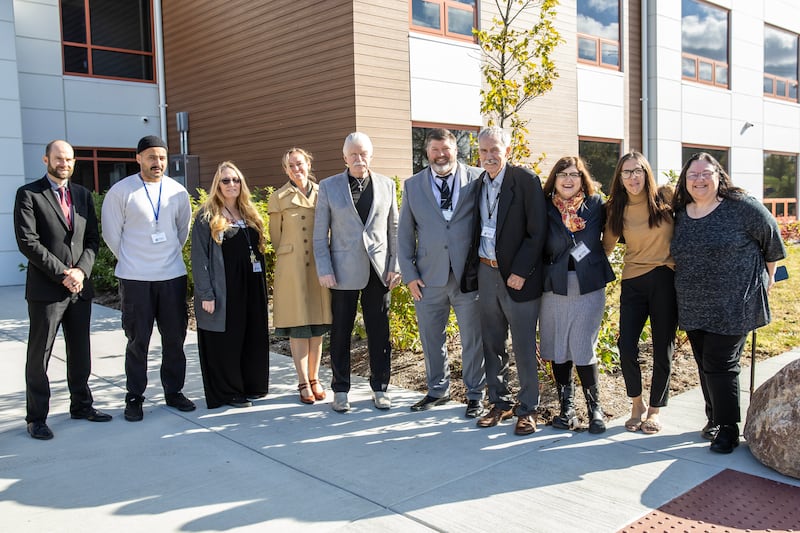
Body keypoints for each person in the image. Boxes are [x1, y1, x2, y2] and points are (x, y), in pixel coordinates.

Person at [671, 152, 786, 454]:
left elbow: (772, 241)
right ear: (685, 180)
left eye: (705, 173)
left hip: (735, 303)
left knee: (720, 363)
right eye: (693, 175)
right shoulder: (681, 213)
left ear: (719, 175)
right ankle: (714, 418)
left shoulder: (742, 208)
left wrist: (768, 277)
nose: (699, 179)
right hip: (694, 303)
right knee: (705, 363)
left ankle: (728, 429)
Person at [14, 140, 112, 440]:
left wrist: (81, 271)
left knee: (80, 349)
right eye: (58, 158)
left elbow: (92, 239)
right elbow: (28, 242)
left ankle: (81, 405)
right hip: (47, 290)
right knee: (39, 354)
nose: (64, 164)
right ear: (46, 159)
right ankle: (37, 418)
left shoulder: (82, 195)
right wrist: (63, 274)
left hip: (79, 288)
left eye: (69, 159)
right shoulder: (29, 194)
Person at [101, 135, 195, 421]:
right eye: (152, 157)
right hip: (135, 279)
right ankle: (134, 396)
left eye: (162, 158)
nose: (158, 163)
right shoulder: (121, 191)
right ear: (138, 158)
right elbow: (111, 234)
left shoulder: (177, 191)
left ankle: (174, 391)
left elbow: (182, 231)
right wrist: (135, 260)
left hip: (171, 276)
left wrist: (163, 257)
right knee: (137, 340)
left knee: (174, 338)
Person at [462, 126, 548, 436]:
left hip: (518, 277)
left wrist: (520, 271)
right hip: (486, 273)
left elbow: (537, 232)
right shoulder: (477, 185)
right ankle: (498, 402)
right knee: (492, 342)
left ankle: (528, 409)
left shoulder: (525, 181)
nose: (488, 156)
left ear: (506, 151)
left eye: (494, 150)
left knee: (524, 344)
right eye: (483, 151)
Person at [398, 129, 486, 418]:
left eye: (446, 149)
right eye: (435, 150)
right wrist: (409, 274)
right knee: (430, 337)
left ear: (455, 150)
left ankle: (476, 395)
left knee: (473, 338)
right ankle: (438, 390)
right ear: (427, 152)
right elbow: (404, 234)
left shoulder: (477, 178)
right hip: (427, 277)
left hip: (468, 277)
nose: (441, 155)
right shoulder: (413, 186)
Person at [313, 132, 401, 412]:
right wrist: (324, 268)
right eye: (353, 154)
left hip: (379, 271)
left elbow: (395, 229)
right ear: (344, 158)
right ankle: (340, 390)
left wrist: (395, 265)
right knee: (340, 332)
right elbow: (319, 235)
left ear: (371, 156)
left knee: (379, 332)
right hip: (342, 272)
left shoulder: (387, 185)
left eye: (363, 154)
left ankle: (380, 387)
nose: (358, 159)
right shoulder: (329, 187)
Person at [603, 152, 677, 435]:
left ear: (647, 173)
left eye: (638, 171)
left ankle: (655, 410)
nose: (632, 177)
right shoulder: (616, 209)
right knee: (626, 347)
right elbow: (605, 249)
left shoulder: (666, 198)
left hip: (665, 280)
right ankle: (637, 404)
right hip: (633, 282)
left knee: (662, 347)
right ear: (619, 178)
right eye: (626, 172)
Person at [540, 156, 615, 434]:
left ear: (583, 178)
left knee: (583, 346)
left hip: (588, 285)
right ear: (555, 179)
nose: (568, 179)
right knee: (559, 347)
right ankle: (566, 410)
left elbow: (611, 235)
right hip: (555, 286)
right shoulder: (544, 206)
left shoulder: (596, 205)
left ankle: (595, 409)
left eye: (574, 174)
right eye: (562, 174)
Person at [191, 161, 270, 409]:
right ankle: (228, 392)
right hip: (225, 288)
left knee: (251, 335)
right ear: (217, 184)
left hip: (251, 286)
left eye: (235, 180)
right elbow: (199, 259)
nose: (231, 184)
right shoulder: (207, 217)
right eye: (226, 180)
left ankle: (251, 385)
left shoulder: (249, 213)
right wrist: (206, 293)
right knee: (228, 339)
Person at [268, 148, 331, 404]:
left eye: (300, 164)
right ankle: (303, 381)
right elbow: (276, 238)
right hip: (292, 269)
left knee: (317, 324)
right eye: (290, 166)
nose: (296, 169)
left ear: (308, 164)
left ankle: (315, 378)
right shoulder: (278, 197)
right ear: (285, 170)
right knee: (298, 326)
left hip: (319, 266)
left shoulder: (322, 193)